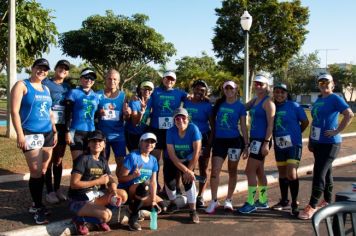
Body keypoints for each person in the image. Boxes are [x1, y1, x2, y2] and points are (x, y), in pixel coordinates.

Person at [298, 74, 354, 220]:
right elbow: (315, 121)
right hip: (318, 143)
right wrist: (311, 140)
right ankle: (327, 201)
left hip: (331, 143)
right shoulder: (319, 99)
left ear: (332, 84)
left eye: (326, 82)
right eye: (321, 82)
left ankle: (312, 205)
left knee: (319, 173)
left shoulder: (335, 98)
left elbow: (349, 114)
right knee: (327, 173)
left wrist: (337, 130)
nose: (323, 84)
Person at [11, 58, 57, 224]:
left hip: (47, 133)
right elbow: (14, 111)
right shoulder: (22, 85)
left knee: (43, 169)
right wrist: (20, 134)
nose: (42, 71)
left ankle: (37, 203)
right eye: (39, 67)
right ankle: (37, 207)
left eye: (45, 69)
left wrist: (54, 128)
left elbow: (50, 111)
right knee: (36, 171)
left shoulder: (45, 88)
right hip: (31, 133)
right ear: (33, 68)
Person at [68, 130, 128, 235]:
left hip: (95, 197)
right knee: (106, 215)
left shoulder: (103, 161)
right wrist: (98, 181)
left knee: (122, 194)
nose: (97, 143)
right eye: (93, 141)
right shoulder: (83, 159)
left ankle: (97, 216)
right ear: (89, 144)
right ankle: (79, 220)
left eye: (100, 141)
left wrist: (113, 190)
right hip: (79, 200)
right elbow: (74, 184)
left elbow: (110, 179)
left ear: (104, 144)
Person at [205, 81, 249, 214]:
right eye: (226, 88)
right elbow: (211, 120)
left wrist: (246, 145)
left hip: (235, 142)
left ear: (236, 90)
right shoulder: (219, 104)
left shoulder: (240, 106)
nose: (229, 90)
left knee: (232, 171)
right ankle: (214, 201)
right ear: (224, 90)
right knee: (215, 172)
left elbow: (243, 126)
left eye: (232, 88)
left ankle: (229, 199)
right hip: (219, 142)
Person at [239, 73, 276, 214]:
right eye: (256, 83)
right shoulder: (255, 100)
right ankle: (262, 200)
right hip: (255, 140)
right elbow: (242, 108)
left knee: (249, 171)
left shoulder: (268, 103)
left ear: (267, 86)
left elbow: (270, 125)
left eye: (261, 84)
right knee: (259, 171)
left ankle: (250, 202)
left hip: (262, 140)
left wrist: (266, 143)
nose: (258, 86)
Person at [271, 83, 309, 216]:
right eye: (277, 92)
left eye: (282, 92)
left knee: (291, 174)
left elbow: (305, 122)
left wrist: (297, 134)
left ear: (287, 94)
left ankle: (294, 202)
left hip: (294, 144)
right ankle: (284, 200)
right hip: (279, 144)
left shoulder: (294, 106)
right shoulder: (272, 106)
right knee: (282, 174)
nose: (279, 95)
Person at [118, 132, 166, 231]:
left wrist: (153, 200)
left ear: (155, 145)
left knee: (162, 207)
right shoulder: (132, 156)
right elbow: (121, 178)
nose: (149, 144)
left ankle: (136, 209)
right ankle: (133, 218)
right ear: (140, 143)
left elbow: (153, 182)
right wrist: (133, 176)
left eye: (152, 142)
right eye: (146, 141)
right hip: (127, 190)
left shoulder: (153, 160)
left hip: (143, 190)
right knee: (144, 187)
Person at [148, 71, 187, 190]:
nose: (169, 81)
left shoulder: (179, 93)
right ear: (163, 79)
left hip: (171, 130)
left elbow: (191, 98)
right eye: (167, 78)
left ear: (175, 82)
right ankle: (154, 184)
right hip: (156, 129)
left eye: (172, 79)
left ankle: (171, 186)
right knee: (155, 159)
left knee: (170, 159)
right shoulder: (155, 92)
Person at [164, 107, 201, 223]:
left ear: (187, 119)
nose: (180, 120)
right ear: (174, 121)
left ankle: (193, 211)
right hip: (173, 159)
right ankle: (173, 203)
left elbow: (197, 151)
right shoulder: (170, 131)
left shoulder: (193, 129)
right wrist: (187, 171)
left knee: (188, 181)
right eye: (177, 118)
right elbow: (172, 156)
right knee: (170, 182)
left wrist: (188, 171)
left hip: (188, 159)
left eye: (183, 118)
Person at [43, 59, 71, 204]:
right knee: (48, 159)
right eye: (60, 67)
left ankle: (58, 188)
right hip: (47, 127)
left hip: (61, 127)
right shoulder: (46, 83)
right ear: (55, 68)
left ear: (68, 72)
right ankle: (50, 191)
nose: (63, 70)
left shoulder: (68, 88)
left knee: (58, 160)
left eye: (66, 69)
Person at [183, 79, 213, 208]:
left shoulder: (207, 106)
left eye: (202, 90)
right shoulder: (185, 102)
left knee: (203, 168)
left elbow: (213, 126)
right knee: (190, 167)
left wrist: (209, 145)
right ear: (193, 89)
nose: (199, 92)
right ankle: (191, 194)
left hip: (203, 138)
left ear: (205, 92)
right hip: (187, 138)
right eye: (197, 89)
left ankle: (200, 196)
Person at [96, 69, 131, 177]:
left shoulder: (123, 96)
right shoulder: (97, 95)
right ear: (105, 80)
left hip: (118, 135)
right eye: (109, 79)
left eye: (115, 79)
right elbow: (91, 113)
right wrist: (98, 113)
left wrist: (127, 114)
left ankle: (120, 185)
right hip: (102, 135)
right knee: (102, 161)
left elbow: (126, 117)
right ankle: (102, 185)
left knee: (120, 161)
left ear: (119, 81)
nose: (112, 81)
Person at [64, 68, 100, 161]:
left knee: (88, 163)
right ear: (81, 79)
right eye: (86, 77)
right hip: (76, 132)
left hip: (91, 132)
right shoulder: (73, 92)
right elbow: (68, 113)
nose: (89, 80)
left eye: (92, 78)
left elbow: (96, 116)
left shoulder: (96, 96)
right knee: (78, 162)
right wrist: (67, 131)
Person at [125, 81, 154, 152]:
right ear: (141, 89)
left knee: (144, 154)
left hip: (143, 132)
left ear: (152, 91)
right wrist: (141, 112)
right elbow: (135, 123)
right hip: (132, 133)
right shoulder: (135, 102)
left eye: (149, 89)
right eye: (144, 89)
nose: (147, 91)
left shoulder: (151, 100)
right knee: (135, 154)